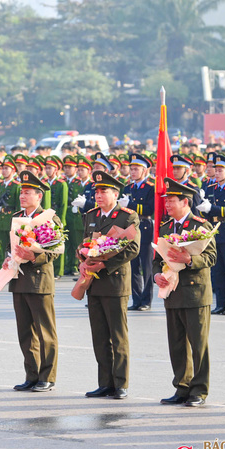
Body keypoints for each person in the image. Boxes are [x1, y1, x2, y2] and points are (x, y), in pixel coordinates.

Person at [153, 179, 216, 407]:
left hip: (195, 293)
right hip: (172, 291)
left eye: (171, 201)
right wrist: (156, 276)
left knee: (198, 344)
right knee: (177, 343)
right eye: (166, 200)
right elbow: (157, 259)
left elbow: (211, 257)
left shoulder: (201, 226)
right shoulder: (166, 227)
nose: (167, 205)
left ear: (185, 201)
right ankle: (182, 386)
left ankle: (199, 390)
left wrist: (189, 259)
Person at [81, 170, 140, 400]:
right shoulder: (91, 215)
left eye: (103, 191)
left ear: (115, 194)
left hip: (114, 282)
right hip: (94, 284)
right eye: (96, 191)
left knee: (118, 336)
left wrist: (105, 266)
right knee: (99, 335)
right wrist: (82, 256)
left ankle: (121, 383)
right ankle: (105, 382)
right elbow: (85, 243)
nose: (98, 195)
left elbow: (132, 249)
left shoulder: (127, 217)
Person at [6, 171, 62, 393]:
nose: (23, 196)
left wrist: (34, 256)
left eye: (27, 192)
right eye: (21, 192)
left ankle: (47, 376)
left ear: (39, 196)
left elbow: (54, 250)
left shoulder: (48, 218)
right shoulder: (17, 217)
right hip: (19, 279)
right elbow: (12, 245)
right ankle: (31, 374)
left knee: (45, 331)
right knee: (25, 332)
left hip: (40, 281)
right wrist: (8, 260)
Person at [197, 154, 225, 315]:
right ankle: (220, 303)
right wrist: (203, 211)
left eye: (220, 170)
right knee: (217, 271)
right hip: (213, 231)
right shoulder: (210, 188)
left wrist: (212, 209)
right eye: (215, 170)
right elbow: (205, 211)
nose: (216, 173)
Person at [121, 154, 155, 311]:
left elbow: (150, 209)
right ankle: (136, 298)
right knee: (132, 265)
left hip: (145, 226)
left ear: (145, 170)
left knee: (146, 266)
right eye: (131, 169)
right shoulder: (127, 188)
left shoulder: (150, 187)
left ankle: (146, 299)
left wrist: (131, 205)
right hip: (130, 228)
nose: (132, 172)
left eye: (136, 169)